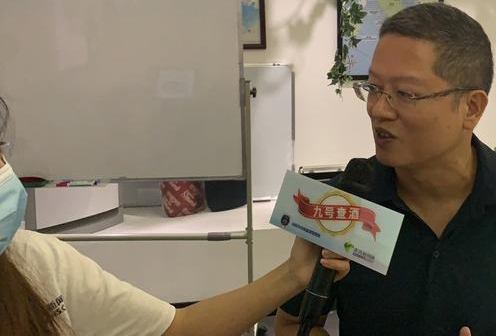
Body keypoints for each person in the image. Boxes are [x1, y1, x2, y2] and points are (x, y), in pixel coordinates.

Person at [276, 3, 496, 336]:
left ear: (471, 108)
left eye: (406, 94)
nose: (378, 110)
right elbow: (292, 324)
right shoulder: (342, 203)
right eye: (373, 88)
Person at [0, 95, 350, 336]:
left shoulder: (35, 260)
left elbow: (178, 329)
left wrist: (293, 274)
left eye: (0, 149)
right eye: (372, 90)